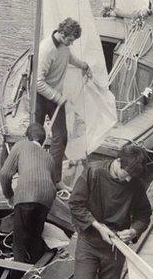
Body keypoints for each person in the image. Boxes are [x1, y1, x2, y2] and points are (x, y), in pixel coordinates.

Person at [69, 143, 152, 279]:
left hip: (116, 246)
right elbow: (75, 204)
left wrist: (134, 231)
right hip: (89, 241)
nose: (128, 179)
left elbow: (144, 214)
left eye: (133, 177)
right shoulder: (94, 172)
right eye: (127, 174)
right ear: (118, 161)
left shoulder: (136, 183)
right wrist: (98, 226)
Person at [36, 17, 94, 182]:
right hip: (40, 98)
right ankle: (32, 172)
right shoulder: (46, 49)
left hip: (55, 98)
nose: (72, 43)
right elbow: (38, 82)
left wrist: (85, 66)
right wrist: (57, 97)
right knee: (36, 138)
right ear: (62, 33)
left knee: (61, 138)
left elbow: (69, 58)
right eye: (70, 39)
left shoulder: (64, 46)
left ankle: (55, 180)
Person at [0, 123, 59, 263]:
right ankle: (35, 269)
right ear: (43, 141)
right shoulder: (49, 158)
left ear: (26, 137)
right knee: (35, 239)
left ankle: (17, 272)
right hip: (47, 199)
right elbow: (53, 185)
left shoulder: (20, 145)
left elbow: (5, 174)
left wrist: (9, 196)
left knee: (19, 242)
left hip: (26, 195)